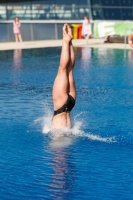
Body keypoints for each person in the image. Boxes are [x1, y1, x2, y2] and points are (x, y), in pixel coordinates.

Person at [52, 24, 76, 129]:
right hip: (61, 107)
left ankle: (69, 41)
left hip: (70, 104)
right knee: (63, 70)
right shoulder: (59, 141)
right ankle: (66, 41)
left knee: (69, 70)